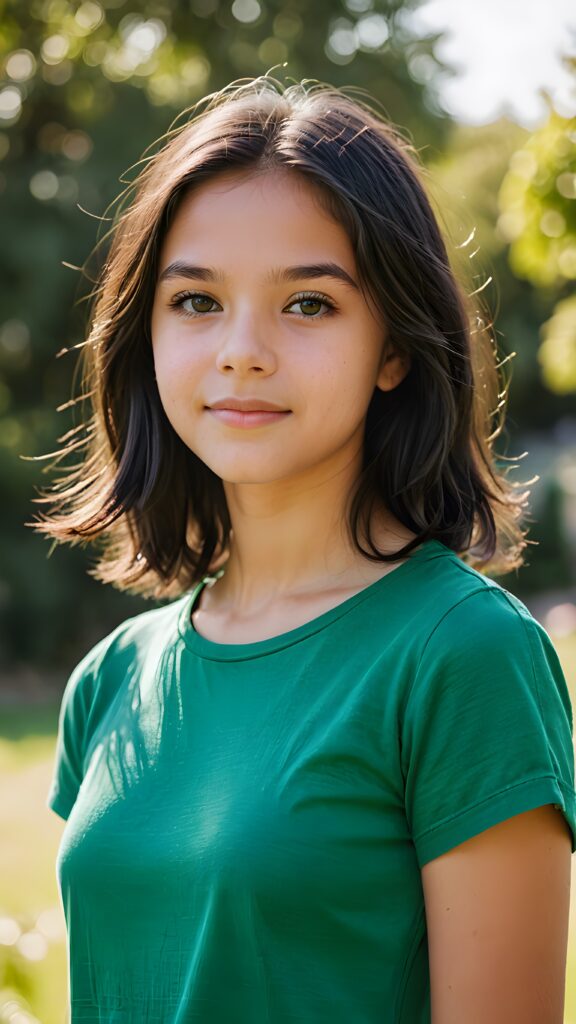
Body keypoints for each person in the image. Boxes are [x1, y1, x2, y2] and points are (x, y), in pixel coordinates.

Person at [33, 76, 575, 1023]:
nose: (241, 350)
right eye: (196, 301)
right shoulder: (110, 680)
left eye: (310, 305)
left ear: (395, 347)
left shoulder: (464, 659)